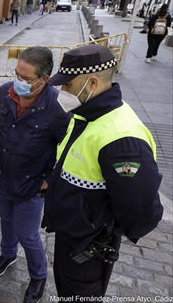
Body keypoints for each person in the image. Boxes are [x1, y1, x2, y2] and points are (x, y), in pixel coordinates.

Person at [42, 44, 164, 299]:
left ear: (93, 83)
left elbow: (140, 209)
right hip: (72, 233)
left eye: (68, 85)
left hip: (89, 245)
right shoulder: (88, 113)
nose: (62, 91)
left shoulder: (121, 138)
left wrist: (101, 230)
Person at [0, 47, 71, 303]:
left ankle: (38, 275)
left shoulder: (58, 108)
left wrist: (49, 181)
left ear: (44, 79)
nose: (18, 82)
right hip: (2, 174)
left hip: (31, 184)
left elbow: (69, 149)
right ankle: (8, 254)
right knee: (6, 221)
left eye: (26, 78)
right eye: (17, 74)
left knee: (27, 233)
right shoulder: (5, 92)